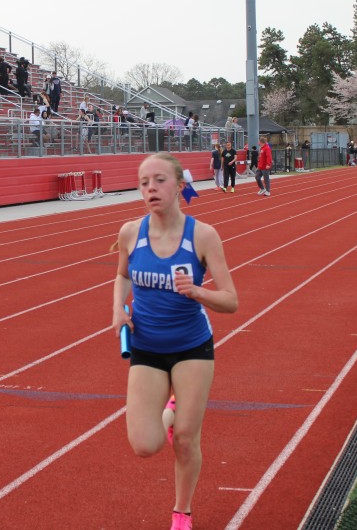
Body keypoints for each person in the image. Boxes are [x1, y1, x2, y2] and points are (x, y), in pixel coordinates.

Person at [111, 153, 238, 530]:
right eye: (144, 182)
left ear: (180, 186)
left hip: (191, 347)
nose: (151, 188)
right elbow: (122, 276)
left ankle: (182, 512)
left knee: (185, 438)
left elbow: (231, 300)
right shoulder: (130, 233)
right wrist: (118, 308)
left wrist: (198, 292)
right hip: (147, 346)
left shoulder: (202, 236)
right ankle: (171, 409)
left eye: (160, 180)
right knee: (144, 445)